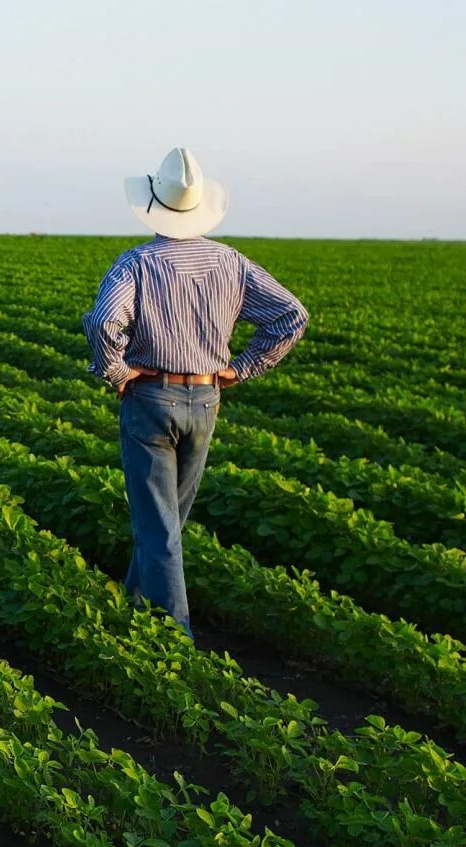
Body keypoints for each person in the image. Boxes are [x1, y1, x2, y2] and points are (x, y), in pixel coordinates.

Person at [82, 147, 308, 639]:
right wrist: (242, 369)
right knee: (169, 522)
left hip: (150, 399)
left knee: (158, 523)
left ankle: (174, 637)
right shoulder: (231, 263)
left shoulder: (137, 263)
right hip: (205, 401)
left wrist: (116, 373)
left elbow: (103, 321)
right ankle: (135, 610)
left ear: (153, 205)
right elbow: (292, 315)